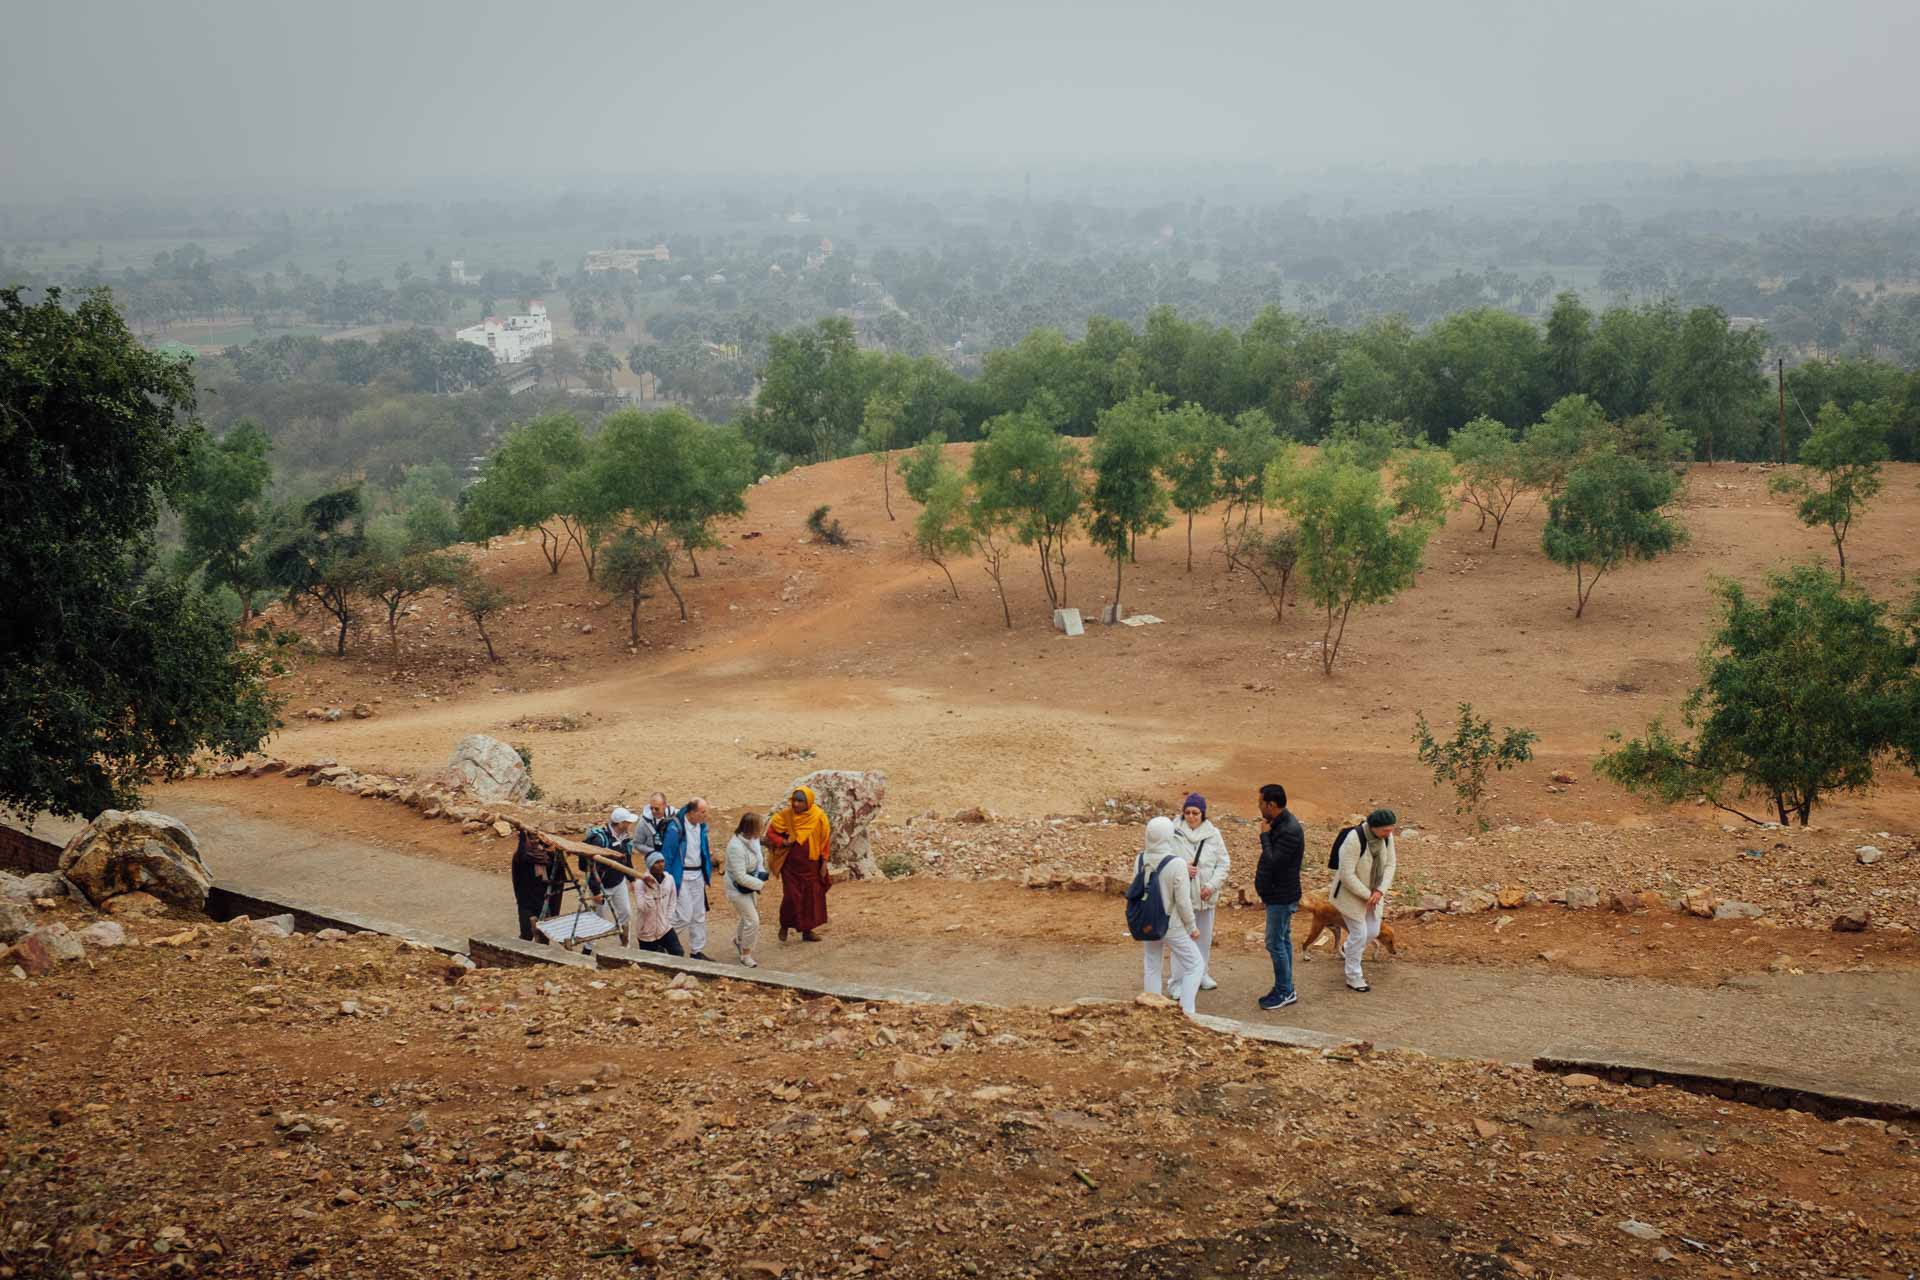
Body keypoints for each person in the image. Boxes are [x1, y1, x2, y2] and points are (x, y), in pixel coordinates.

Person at [1135, 815, 1203, 1015]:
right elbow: (1183, 902)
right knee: (1195, 964)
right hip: (1171, 924)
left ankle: (1151, 1010)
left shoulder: (1140, 859)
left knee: (1152, 963)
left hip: (1147, 921)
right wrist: (1192, 927)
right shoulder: (1176, 863)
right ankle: (1187, 1011)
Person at [1330, 807, 1398, 993]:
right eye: (1386, 830)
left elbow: (1391, 865)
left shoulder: (1387, 838)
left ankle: (1347, 948)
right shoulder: (1354, 839)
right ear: (1374, 827)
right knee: (1359, 934)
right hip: (1351, 894)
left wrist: (1380, 891)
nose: (1390, 833)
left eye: (1391, 829)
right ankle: (1354, 976)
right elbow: (1346, 874)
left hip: (1374, 894)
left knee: (1372, 931)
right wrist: (1368, 895)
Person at [1253, 783, 1305, 1011]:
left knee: (1275, 943)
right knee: (1282, 940)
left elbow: (1275, 861)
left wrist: (1264, 837)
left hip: (1281, 896)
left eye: (1260, 803)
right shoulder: (1279, 824)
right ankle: (1285, 986)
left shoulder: (1290, 830)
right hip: (1277, 893)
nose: (1258, 807)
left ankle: (1285, 991)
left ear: (1271, 805)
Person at [1172, 793, 1230, 991]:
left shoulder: (1213, 834)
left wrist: (1212, 885)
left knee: (1204, 938)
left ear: (1202, 814)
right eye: (1187, 812)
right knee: (1181, 938)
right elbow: (1166, 861)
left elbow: (1223, 863)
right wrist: (1181, 867)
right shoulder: (1174, 833)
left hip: (1206, 896)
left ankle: (1202, 973)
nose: (1191, 817)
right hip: (1183, 896)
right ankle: (1178, 981)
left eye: (1195, 813)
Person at [767, 786, 830, 942]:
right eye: (794, 800)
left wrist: (824, 863)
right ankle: (785, 925)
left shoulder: (818, 816)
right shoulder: (786, 816)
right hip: (790, 866)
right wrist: (783, 841)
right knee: (791, 897)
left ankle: (807, 931)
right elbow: (770, 833)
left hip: (811, 865)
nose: (795, 804)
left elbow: (825, 841)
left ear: (808, 802)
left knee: (811, 898)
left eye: (800, 801)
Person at [659, 798, 714, 959]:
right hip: (681, 876)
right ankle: (664, 940)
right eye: (702, 812)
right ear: (692, 812)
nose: (705, 815)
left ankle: (697, 951)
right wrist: (665, 878)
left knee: (699, 914)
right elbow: (667, 855)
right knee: (684, 915)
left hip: (697, 875)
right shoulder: (675, 828)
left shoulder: (701, 827)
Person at [583, 806, 640, 945]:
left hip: (619, 882)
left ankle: (623, 945)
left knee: (626, 913)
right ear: (620, 823)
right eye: (627, 822)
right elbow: (593, 868)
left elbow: (627, 860)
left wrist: (631, 880)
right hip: (602, 886)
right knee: (598, 918)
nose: (630, 825)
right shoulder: (600, 840)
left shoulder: (625, 838)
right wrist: (596, 891)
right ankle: (588, 948)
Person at [725, 812, 771, 967]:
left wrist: (761, 872)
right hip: (737, 889)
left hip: (749, 886)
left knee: (747, 917)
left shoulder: (753, 840)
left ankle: (739, 940)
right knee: (753, 920)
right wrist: (760, 884)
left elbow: (758, 859)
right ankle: (746, 954)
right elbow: (739, 876)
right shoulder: (735, 847)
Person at [510, 829, 564, 942]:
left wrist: (556, 852)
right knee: (526, 934)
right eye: (531, 839)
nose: (534, 841)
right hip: (527, 901)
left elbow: (558, 872)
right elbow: (522, 855)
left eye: (536, 838)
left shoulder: (546, 855)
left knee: (544, 936)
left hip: (544, 900)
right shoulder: (521, 857)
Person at [628, 851, 684, 955]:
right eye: (656, 862)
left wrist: (667, 919)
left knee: (678, 952)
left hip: (664, 928)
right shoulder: (640, 883)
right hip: (646, 932)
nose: (661, 865)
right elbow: (642, 908)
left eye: (662, 861)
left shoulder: (669, 879)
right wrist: (650, 890)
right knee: (651, 963)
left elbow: (672, 900)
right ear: (650, 865)